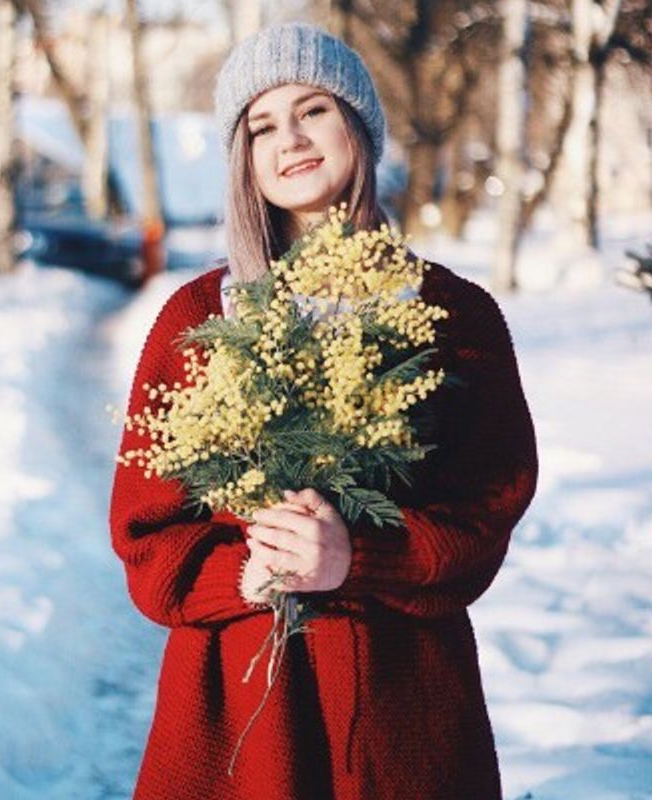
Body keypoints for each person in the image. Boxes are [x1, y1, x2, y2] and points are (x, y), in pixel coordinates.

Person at [109, 21, 537, 800]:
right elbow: (147, 539)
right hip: (236, 714)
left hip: (402, 709)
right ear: (244, 159)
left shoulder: (452, 314)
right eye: (262, 125)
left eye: (314, 110)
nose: (291, 140)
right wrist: (244, 573)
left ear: (359, 127)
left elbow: (487, 510)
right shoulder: (198, 318)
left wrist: (359, 557)